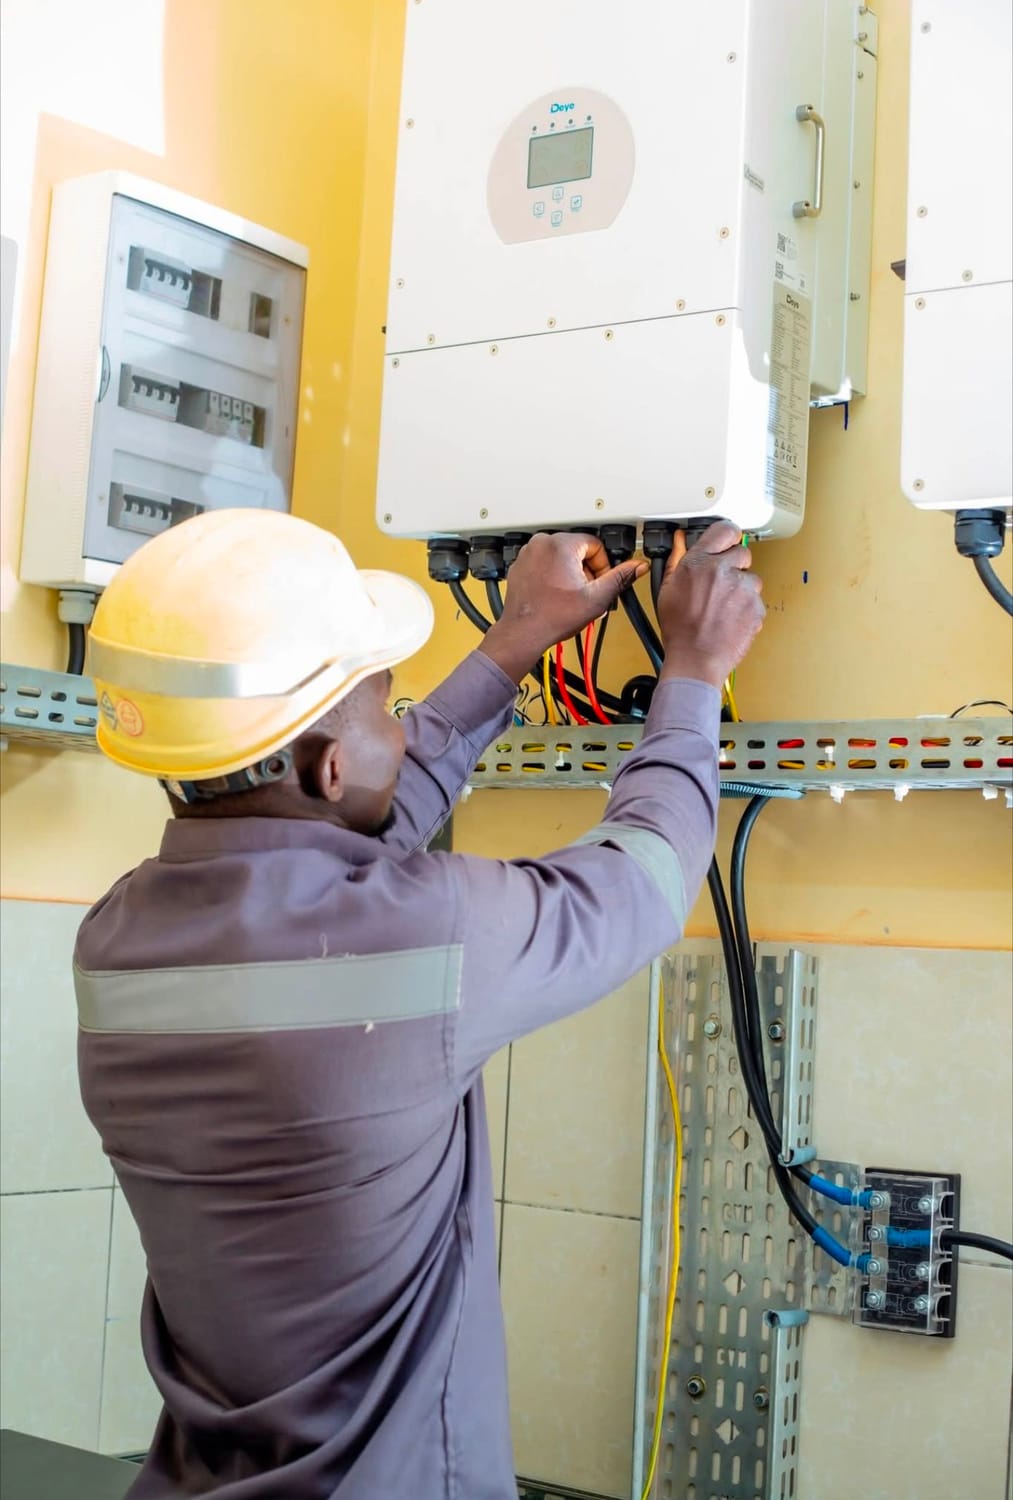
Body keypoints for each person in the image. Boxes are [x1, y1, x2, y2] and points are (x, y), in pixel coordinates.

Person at [75, 509, 764, 1500]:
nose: (401, 730)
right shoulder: (422, 930)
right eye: (385, 706)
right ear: (330, 767)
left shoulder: (116, 940)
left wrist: (514, 642)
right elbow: (645, 876)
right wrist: (692, 669)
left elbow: (337, 852)